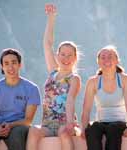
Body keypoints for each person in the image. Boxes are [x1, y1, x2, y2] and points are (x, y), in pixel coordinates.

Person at [26, 4, 81, 150]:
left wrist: (69, 123)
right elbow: (47, 44)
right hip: (48, 125)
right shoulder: (53, 72)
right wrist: (51, 18)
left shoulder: (74, 79)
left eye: (70, 55)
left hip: (65, 123)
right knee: (33, 131)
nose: (65, 58)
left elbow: (70, 101)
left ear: (75, 58)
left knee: (64, 133)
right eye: (62, 54)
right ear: (57, 56)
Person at [0, 48, 41, 150]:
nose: (10, 67)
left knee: (16, 135)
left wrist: (10, 125)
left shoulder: (31, 88)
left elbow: (28, 120)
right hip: (0, 126)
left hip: (20, 126)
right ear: (2, 67)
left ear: (20, 64)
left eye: (14, 62)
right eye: (6, 63)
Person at [81, 45, 127, 150]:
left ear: (117, 60)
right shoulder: (93, 82)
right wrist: (84, 129)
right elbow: (86, 108)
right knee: (92, 129)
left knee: (113, 129)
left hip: (119, 123)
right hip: (101, 122)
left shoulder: (125, 80)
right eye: (103, 57)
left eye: (110, 56)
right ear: (98, 62)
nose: (106, 60)